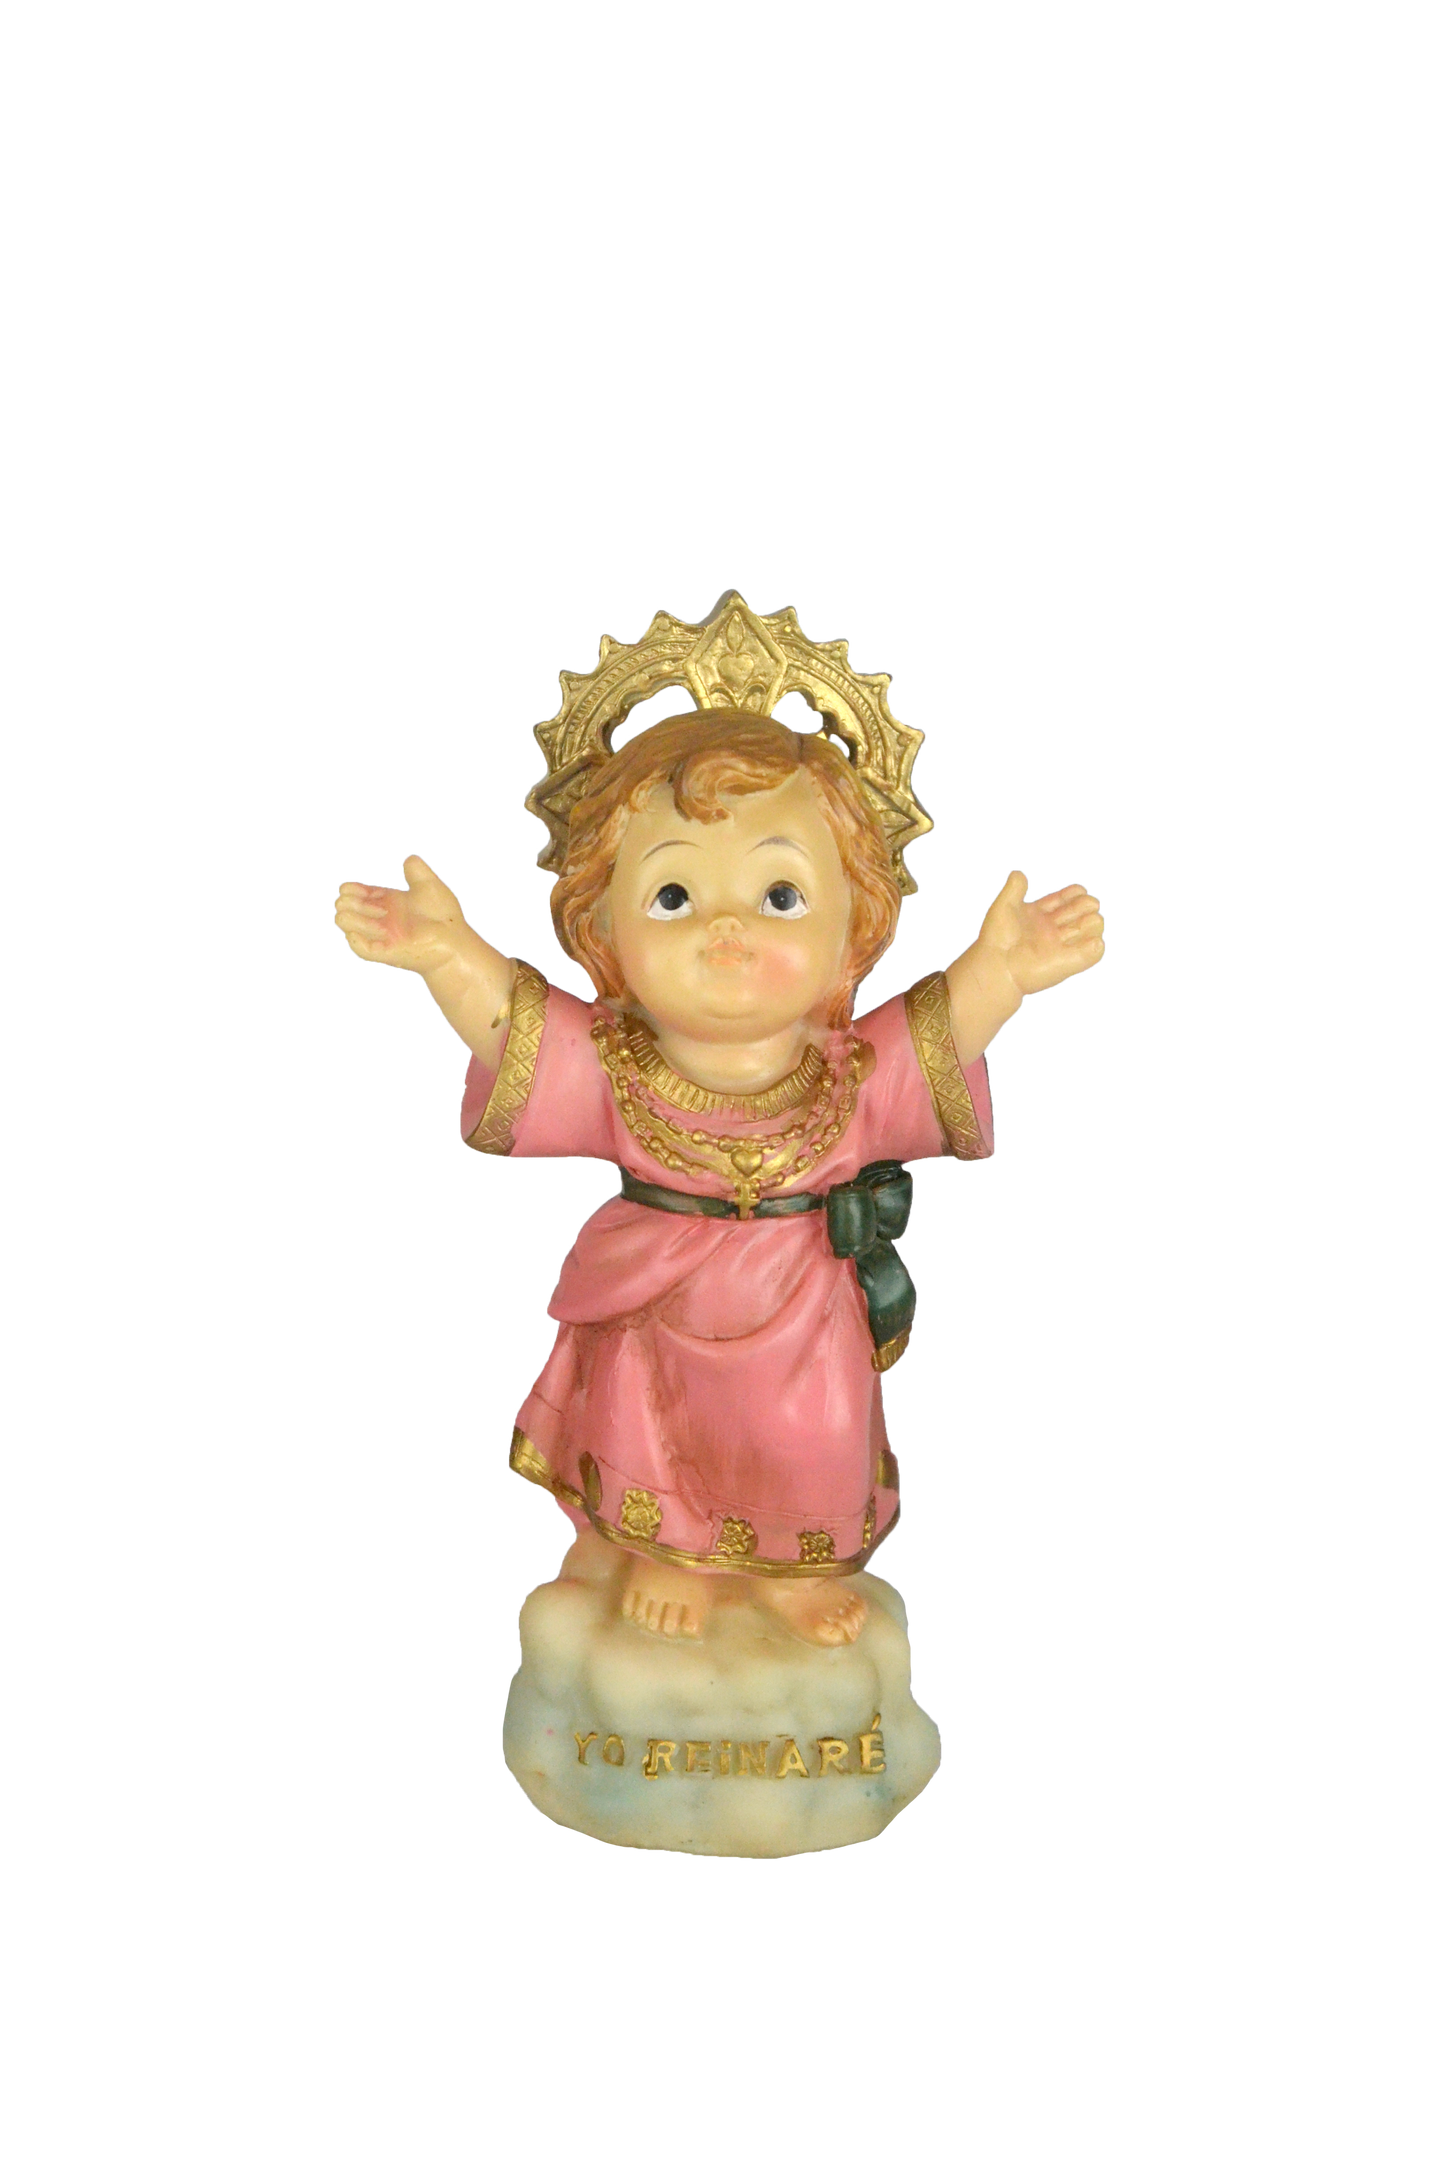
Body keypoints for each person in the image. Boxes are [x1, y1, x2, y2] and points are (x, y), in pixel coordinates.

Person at [333, 708, 1105, 1644]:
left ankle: (799, 1568)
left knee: (815, 1432)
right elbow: (522, 1027)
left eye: (781, 894)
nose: (726, 930)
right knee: (653, 1426)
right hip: (656, 1302)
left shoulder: (849, 1072)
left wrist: (1003, 970)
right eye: (672, 897)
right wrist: (447, 955)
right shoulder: (619, 1066)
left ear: (854, 923)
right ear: (603, 929)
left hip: (805, 1302)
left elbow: (937, 1032)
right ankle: (668, 1557)